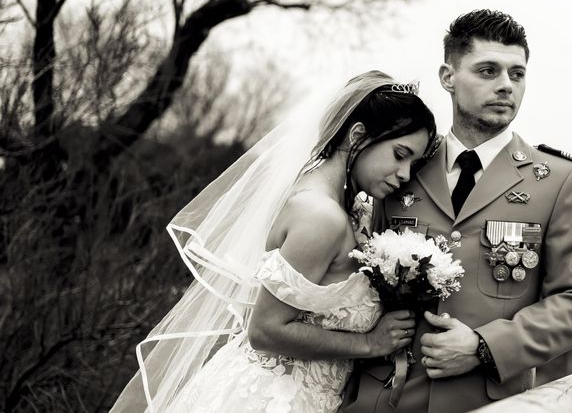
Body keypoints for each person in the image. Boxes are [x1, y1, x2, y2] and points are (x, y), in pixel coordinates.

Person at [110, 71, 437, 413]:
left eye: (413, 164)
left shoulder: (334, 205)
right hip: (267, 400)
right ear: (357, 136)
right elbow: (265, 331)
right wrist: (370, 343)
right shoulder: (321, 217)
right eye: (400, 154)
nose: (404, 174)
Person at [342, 10, 572, 413]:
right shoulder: (402, 168)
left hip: (484, 402)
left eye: (517, 75)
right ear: (448, 77)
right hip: (383, 398)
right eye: (488, 71)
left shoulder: (559, 179)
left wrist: (484, 347)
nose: (506, 86)